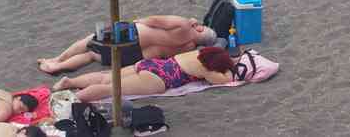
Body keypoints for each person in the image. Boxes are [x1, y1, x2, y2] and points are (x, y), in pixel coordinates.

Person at [38, 15, 218, 74]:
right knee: (92, 56)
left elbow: (157, 20)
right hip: (138, 55)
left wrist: (138, 20)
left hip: (133, 35)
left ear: (201, 29)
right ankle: (58, 66)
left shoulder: (184, 24)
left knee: (88, 41)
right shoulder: (189, 47)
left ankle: (57, 60)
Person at [53, 46, 239, 101]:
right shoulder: (207, 69)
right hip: (159, 79)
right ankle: (74, 99)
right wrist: (230, 67)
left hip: (153, 64)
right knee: (110, 89)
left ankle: (69, 82)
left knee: (107, 76)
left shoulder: (199, 53)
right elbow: (225, 80)